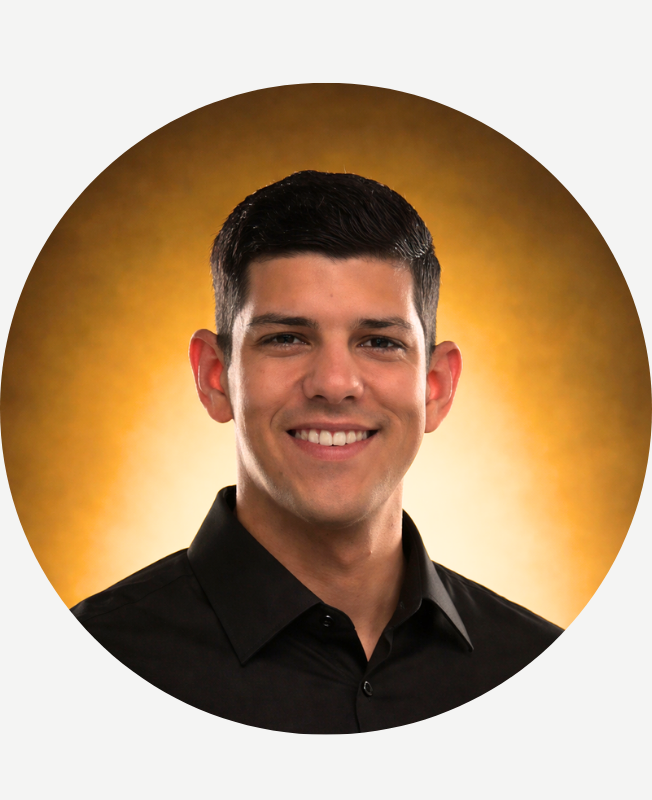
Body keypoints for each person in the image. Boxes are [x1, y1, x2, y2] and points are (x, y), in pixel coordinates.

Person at [72, 171, 562, 733]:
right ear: (215, 377)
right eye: (286, 338)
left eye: (379, 342)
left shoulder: (543, 672)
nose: (334, 382)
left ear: (436, 387)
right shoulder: (89, 666)